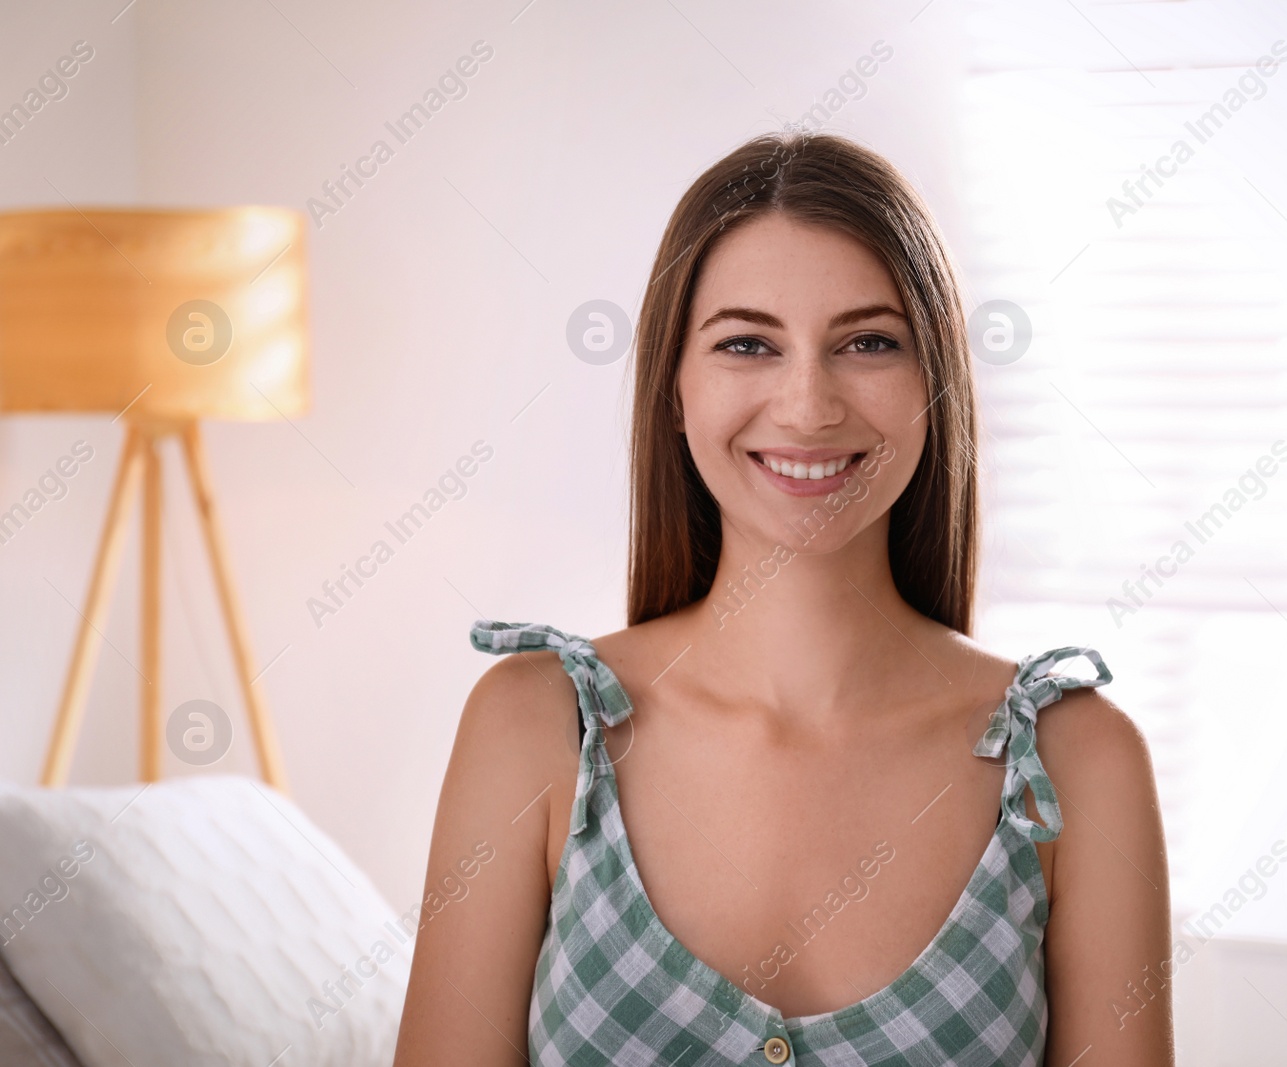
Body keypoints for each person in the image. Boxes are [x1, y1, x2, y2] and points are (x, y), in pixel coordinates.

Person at [395, 131, 1173, 1066]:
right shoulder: (533, 727)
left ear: (937, 385)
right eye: (748, 343)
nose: (808, 405)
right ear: (674, 389)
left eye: (870, 342)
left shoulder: (1080, 763)